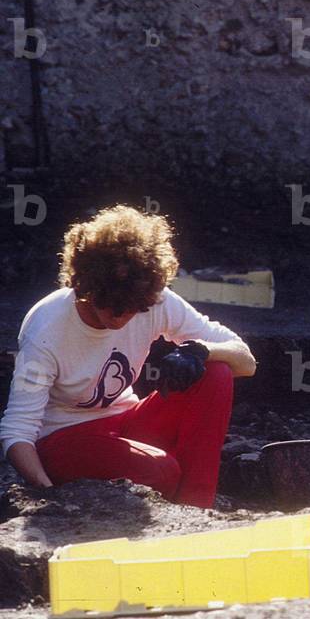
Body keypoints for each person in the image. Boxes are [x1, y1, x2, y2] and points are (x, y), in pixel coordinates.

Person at [0, 205, 257, 509]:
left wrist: (200, 351)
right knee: (160, 472)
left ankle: (196, 507)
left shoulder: (150, 298)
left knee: (216, 371)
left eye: (133, 307)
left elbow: (246, 362)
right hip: (62, 441)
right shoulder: (47, 326)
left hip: (125, 423)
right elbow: (17, 430)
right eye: (112, 305)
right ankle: (174, 487)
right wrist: (49, 495)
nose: (122, 316)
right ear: (86, 285)